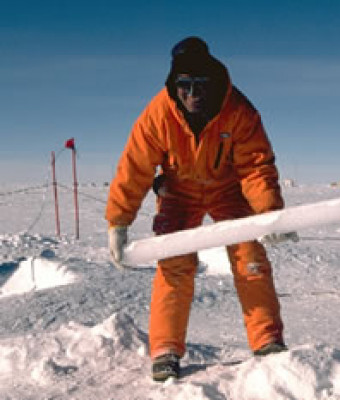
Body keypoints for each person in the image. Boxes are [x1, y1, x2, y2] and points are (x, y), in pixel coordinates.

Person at [105, 36, 292, 381]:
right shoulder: (157, 114)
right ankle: (166, 350)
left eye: (201, 84)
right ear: (174, 84)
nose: (193, 94)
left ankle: (267, 341)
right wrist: (118, 221)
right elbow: (135, 167)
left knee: (250, 257)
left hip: (228, 189)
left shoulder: (238, 110)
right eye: (185, 85)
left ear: (214, 80)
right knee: (174, 265)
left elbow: (255, 165)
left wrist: (269, 213)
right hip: (179, 192)